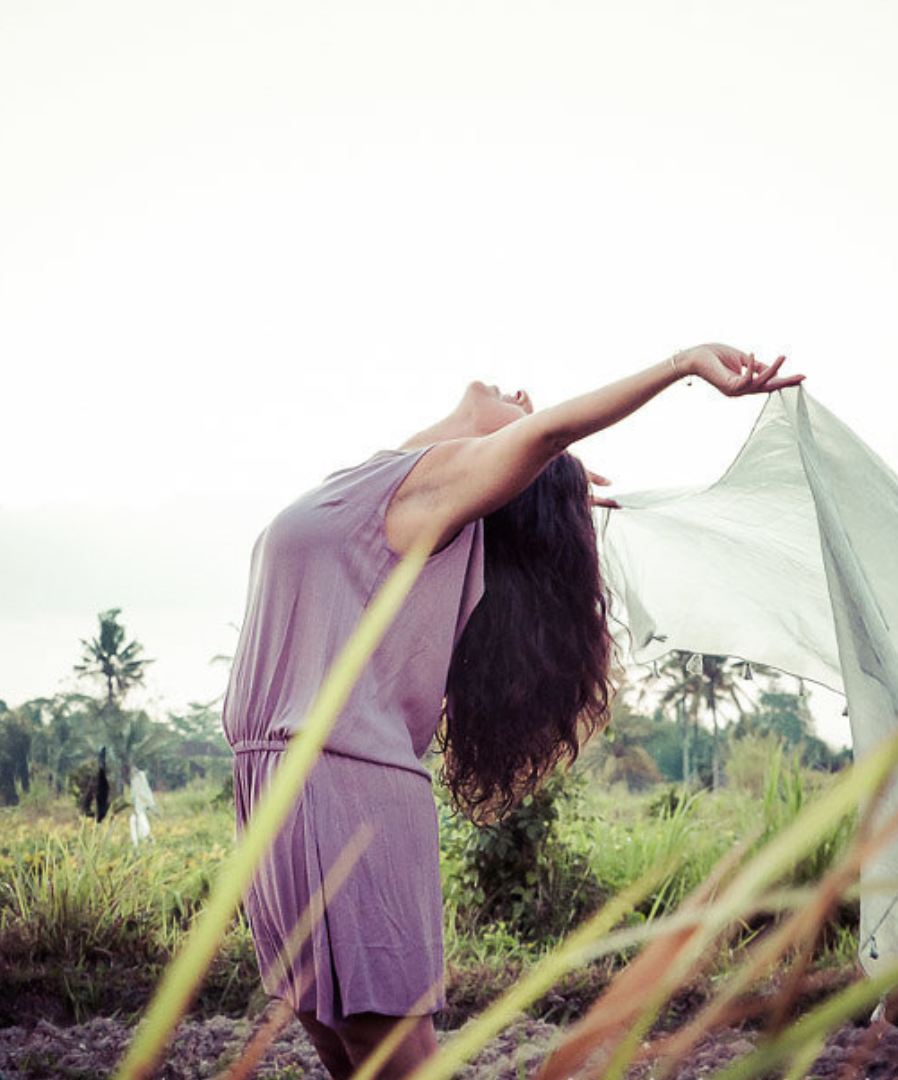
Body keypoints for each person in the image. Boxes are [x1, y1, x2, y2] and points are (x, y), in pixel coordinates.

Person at [222, 343, 803, 1079]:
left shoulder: (431, 500)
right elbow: (513, 447)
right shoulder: (391, 479)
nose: (525, 393)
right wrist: (525, 475)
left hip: (339, 789)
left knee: (392, 1059)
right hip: (279, 789)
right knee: (344, 1053)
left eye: (531, 413)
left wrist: (683, 365)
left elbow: (545, 436)